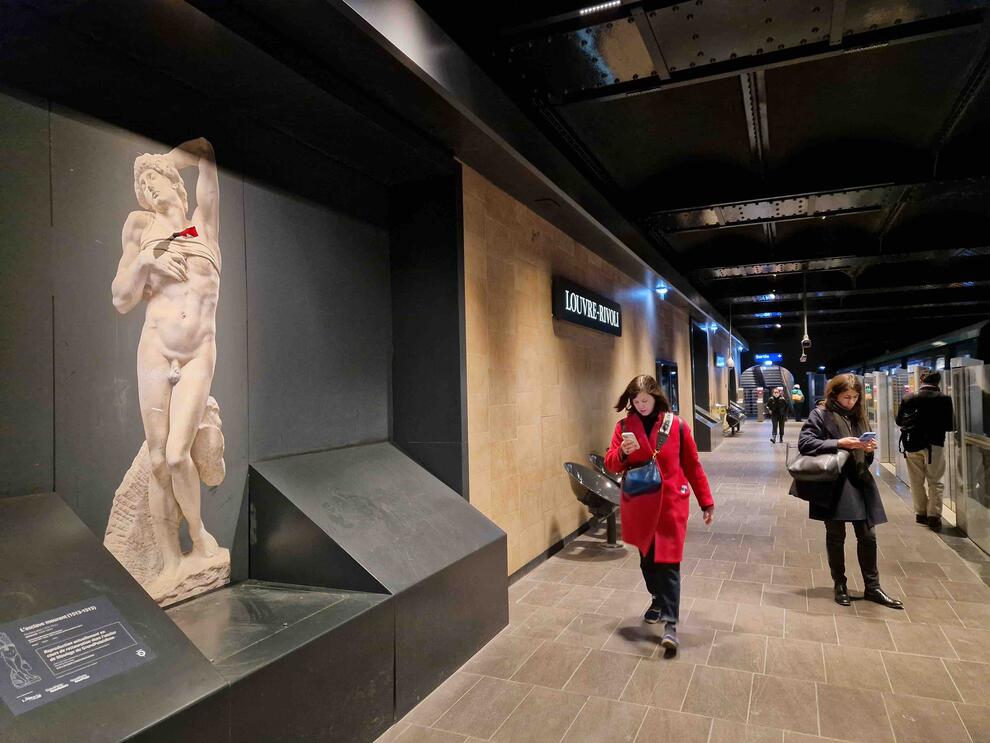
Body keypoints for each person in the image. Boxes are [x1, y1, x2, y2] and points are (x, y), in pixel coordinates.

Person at [111, 137, 222, 595]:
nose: (149, 188)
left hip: (198, 352)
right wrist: (145, 260)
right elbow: (120, 299)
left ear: (176, 183)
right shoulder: (140, 228)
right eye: (142, 184)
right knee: (158, 460)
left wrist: (159, 161)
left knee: (178, 454)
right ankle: (169, 563)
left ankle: (198, 537)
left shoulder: (204, 226)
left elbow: (206, 151)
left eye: (155, 180)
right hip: (155, 350)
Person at [605, 375, 714, 654]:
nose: (640, 405)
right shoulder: (624, 427)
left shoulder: (675, 425)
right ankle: (657, 597)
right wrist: (623, 453)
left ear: (656, 397)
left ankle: (670, 625)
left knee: (668, 562)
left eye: (645, 400)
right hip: (640, 503)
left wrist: (706, 502)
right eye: (636, 401)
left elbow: (692, 465)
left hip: (670, 504)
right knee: (647, 560)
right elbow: (611, 463)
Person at [790, 374, 903, 609]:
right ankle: (839, 584)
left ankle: (873, 587)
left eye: (854, 397)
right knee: (835, 536)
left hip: (860, 480)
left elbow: (866, 455)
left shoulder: (859, 415)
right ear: (834, 395)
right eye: (846, 397)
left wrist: (868, 449)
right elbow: (806, 443)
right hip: (833, 484)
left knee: (868, 536)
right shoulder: (820, 414)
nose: (851, 401)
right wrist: (841, 443)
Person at [896, 371, 954, 531]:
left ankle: (920, 514)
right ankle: (934, 516)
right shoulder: (944, 399)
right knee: (935, 481)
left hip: (911, 444)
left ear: (922, 380)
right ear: (938, 382)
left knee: (916, 482)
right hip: (934, 445)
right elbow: (949, 425)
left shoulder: (909, 398)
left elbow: (899, 420)